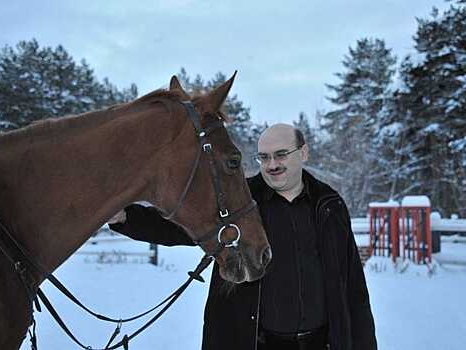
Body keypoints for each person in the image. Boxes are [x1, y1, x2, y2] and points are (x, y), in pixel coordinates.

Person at [109, 123, 377, 350]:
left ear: (303, 153)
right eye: (264, 157)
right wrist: (126, 217)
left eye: (281, 154)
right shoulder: (240, 201)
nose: (272, 165)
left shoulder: (329, 204)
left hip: (321, 343)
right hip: (252, 342)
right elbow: (180, 226)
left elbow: (352, 286)